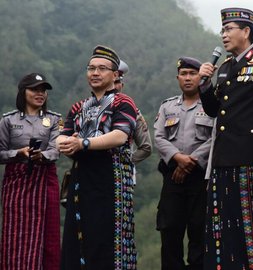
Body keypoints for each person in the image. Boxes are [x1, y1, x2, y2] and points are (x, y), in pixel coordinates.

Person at [198, 7, 253, 269]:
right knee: (223, 225)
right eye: (222, 30)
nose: (223, 35)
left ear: (246, 31)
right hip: (224, 157)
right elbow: (214, 110)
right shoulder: (225, 67)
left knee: (252, 223)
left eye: (229, 29)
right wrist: (204, 84)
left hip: (251, 157)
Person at [57, 45, 139, 269]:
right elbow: (61, 136)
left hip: (111, 177)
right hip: (81, 177)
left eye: (102, 68)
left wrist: (83, 142)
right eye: (91, 68)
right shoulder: (78, 107)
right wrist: (65, 144)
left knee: (108, 236)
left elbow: (120, 136)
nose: (95, 73)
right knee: (79, 234)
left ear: (114, 75)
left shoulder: (123, 102)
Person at [153, 57, 213, 270]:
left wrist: (190, 162)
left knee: (199, 230)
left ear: (201, 77)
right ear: (178, 77)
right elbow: (159, 137)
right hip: (172, 177)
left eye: (192, 74)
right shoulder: (168, 106)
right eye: (184, 74)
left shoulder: (211, 105)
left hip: (200, 178)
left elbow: (215, 137)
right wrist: (178, 159)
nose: (188, 78)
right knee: (169, 230)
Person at [0, 73, 62, 269]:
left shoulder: (54, 120)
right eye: (35, 89)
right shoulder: (8, 121)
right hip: (16, 182)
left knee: (49, 234)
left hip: (44, 178)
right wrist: (18, 153)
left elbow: (55, 150)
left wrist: (41, 156)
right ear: (23, 92)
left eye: (43, 90)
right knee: (15, 233)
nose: (40, 93)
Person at [114, 59, 152, 182]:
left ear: (122, 85)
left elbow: (146, 147)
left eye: (117, 82)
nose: (114, 87)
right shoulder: (89, 108)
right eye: (111, 82)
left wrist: (125, 162)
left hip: (121, 177)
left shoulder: (133, 112)